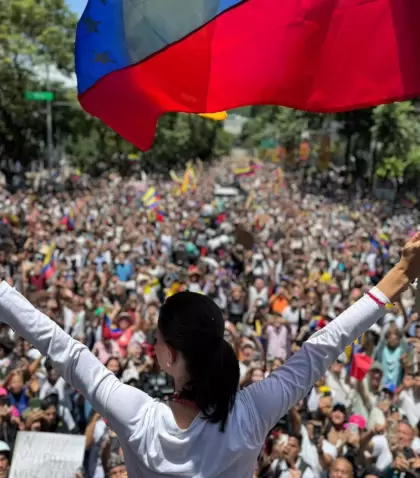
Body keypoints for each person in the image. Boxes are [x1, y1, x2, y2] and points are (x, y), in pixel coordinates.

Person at [0, 235, 419, 477]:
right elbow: (322, 347)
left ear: (168, 356)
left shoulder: (137, 416)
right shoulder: (251, 412)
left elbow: (66, 350)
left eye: (157, 340)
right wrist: (399, 275)